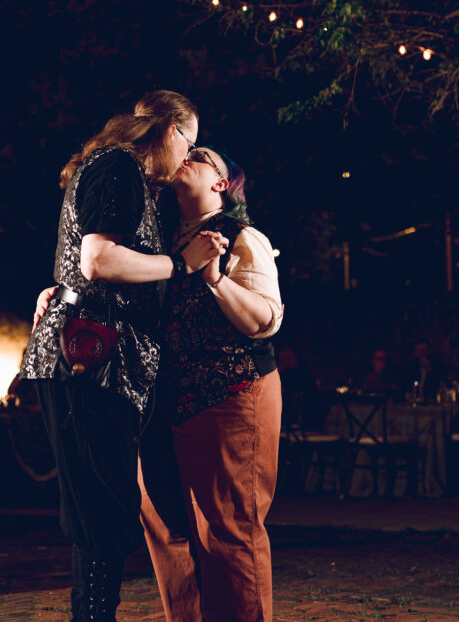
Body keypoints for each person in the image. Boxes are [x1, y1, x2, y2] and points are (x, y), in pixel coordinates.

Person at [21, 90, 225, 622]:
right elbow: (98, 259)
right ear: (167, 130)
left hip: (95, 355)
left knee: (103, 510)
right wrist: (179, 264)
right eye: (190, 143)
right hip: (89, 358)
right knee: (102, 510)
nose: (189, 158)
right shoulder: (120, 167)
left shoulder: (123, 173)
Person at [138, 145, 283, 622]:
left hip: (228, 394)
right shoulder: (155, 240)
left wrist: (217, 279)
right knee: (168, 530)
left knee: (229, 529)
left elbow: (266, 318)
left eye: (200, 155)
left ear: (222, 183)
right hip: (162, 400)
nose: (187, 154)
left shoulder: (242, 236)